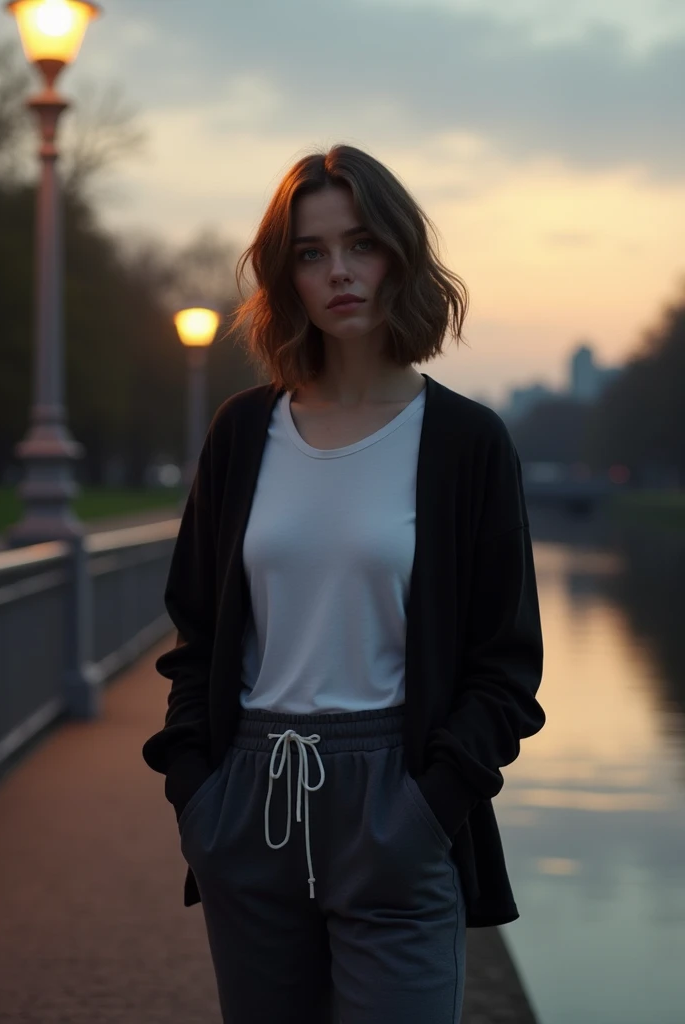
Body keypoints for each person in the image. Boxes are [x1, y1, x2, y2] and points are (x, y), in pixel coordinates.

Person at [141, 143, 545, 1024]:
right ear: (287, 279)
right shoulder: (244, 431)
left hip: (394, 800)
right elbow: (198, 633)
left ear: (400, 253)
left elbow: (505, 666)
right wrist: (198, 799)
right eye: (312, 254)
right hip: (250, 800)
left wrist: (427, 811)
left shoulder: (467, 444)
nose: (340, 273)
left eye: (360, 245)